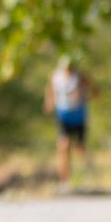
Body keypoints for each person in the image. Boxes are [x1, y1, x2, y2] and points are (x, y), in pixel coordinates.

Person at [44, 55, 96, 190]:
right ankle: (64, 180)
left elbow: (94, 90)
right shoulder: (55, 76)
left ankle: (90, 173)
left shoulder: (79, 76)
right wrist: (49, 102)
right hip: (63, 115)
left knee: (80, 147)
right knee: (63, 146)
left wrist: (86, 98)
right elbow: (50, 90)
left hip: (78, 115)